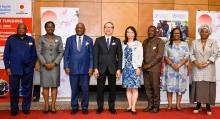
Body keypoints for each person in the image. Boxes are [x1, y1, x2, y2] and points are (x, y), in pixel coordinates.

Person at [3, 23, 37, 116]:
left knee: (28, 90)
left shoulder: (31, 40)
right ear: (17, 30)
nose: (21, 30)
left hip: (28, 70)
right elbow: (6, 55)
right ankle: (14, 109)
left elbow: (34, 55)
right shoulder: (11, 39)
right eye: (19, 28)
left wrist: (32, 66)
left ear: (26, 30)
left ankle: (26, 108)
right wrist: (7, 67)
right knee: (14, 90)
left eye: (23, 28)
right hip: (14, 69)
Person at [64, 22, 93, 115]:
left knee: (85, 89)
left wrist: (91, 67)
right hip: (73, 69)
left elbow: (91, 55)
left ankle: (84, 107)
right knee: (74, 89)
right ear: (75, 29)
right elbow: (66, 55)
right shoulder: (69, 39)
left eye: (81, 28)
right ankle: (74, 107)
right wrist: (66, 66)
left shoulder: (89, 40)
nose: (79, 29)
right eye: (78, 28)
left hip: (85, 69)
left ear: (84, 29)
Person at [94, 22, 122, 114]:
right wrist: (95, 68)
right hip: (101, 68)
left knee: (112, 89)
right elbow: (95, 55)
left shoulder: (117, 40)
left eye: (110, 27)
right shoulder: (98, 40)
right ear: (104, 29)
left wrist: (119, 69)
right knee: (100, 89)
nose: (108, 29)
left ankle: (111, 107)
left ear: (113, 29)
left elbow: (120, 56)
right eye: (106, 27)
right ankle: (100, 107)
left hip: (113, 68)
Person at [190, 25, 218, 116]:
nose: (204, 33)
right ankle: (198, 105)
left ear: (209, 33)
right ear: (199, 32)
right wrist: (196, 63)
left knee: (208, 88)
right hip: (197, 68)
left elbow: (215, 53)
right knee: (198, 87)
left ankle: (208, 106)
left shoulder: (213, 42)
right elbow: (191, 54)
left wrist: (207, 63)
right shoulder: (194, 42)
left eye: (206, 32)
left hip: (209, 68)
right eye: (202, 31)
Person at [36, 21, 64, 113]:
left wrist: (55, 63)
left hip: (55, 66)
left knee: (54, 86)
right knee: (45, 86)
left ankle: (53, 106)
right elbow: (38, 52)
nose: (50, 28)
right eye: (48, 27)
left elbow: (61, 52)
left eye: (52, 26)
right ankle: (46, 105)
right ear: (45, 28)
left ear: (54, 28)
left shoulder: (58, 38)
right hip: (44, 66)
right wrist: (44, 63)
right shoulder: (41, 38)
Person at [162, 28, 189, 111]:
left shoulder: (185, 44)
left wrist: (179, 64)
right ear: (172, 34)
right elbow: (165, 57)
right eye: (174, 33)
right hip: (170, 69)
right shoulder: (167, 44)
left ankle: (178, 105)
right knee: (170, 88)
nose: (176, 35)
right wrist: (172, 64)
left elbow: (187, 56)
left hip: (181, 69)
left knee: (179, 87)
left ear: (180, 34)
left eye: (178, 33)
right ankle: (169, 105)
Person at [142, 25, 164, 113]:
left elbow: (159, 56)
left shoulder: (159, 41)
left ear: (156, 32)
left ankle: (156, 106)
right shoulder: (145, 41)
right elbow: (142, 54)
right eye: (149, 30)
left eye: (152, 30)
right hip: (145, 68)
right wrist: (143, 64)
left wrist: (149, 65)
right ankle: (150, 105)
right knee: (147, 87)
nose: (150, 32)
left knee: (155, 87)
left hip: (154, 69)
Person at [122, 26, 143, 115]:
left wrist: (139, 67)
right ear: (126, 34)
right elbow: (121, 57)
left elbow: (141, 56)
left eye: (131, 32)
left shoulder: (138, 44)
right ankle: (129, 106)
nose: (129, 34)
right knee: (128, 88)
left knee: (134, 89)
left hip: (135, 69)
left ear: (134, 34)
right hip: (126, 69)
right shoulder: (123, 44)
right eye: (128, 32)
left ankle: (133, 107)